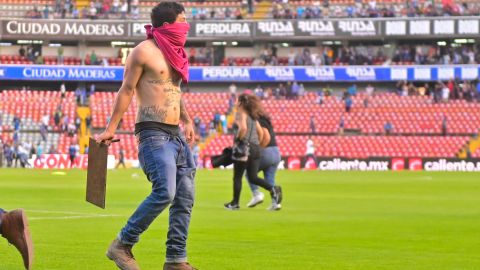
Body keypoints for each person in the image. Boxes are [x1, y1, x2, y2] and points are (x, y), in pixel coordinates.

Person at [96, 2, 197, 270]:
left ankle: (175, 259)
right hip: (153, 133)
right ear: (167, 26)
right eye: (182, 21)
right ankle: (122, 244)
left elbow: (173, 90)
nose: (186, 26)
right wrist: (111, 128)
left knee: (185, 198)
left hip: (176, 135)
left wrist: (186, 119)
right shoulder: (142, 51)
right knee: (165, 191)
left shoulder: (175, 52)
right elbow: (126, 90)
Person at [224, 94, 282, 210]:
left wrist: (238, 140)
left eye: (237, 100)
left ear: (240, 103)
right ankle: (273, 191)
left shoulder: (241, 114)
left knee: (238, 176)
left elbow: (245, 129)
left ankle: (237, 202)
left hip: (247, 148)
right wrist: (257, 145)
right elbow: (260, 133)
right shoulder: (254, 117)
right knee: (254, 176)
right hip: (262, 149)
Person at [246, 108, 282, 211]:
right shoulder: (266, 121)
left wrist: (259, 149)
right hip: (276, 152)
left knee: (249, 172)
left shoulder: (258, 121)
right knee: (269, 179)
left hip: (266, 151)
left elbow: (265, 135)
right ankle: (276, 203)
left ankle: (256, 194)